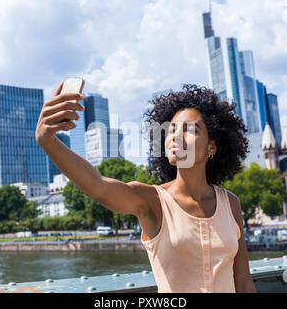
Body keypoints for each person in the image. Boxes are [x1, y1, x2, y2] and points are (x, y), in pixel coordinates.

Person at [36, 82, 256, 293]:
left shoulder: (230, 203)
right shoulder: (151, 200)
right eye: (171, 130)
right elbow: (99, 186)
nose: (176, 136)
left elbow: (244, 282)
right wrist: (48, 142)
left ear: (212, 146)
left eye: (190, 130)